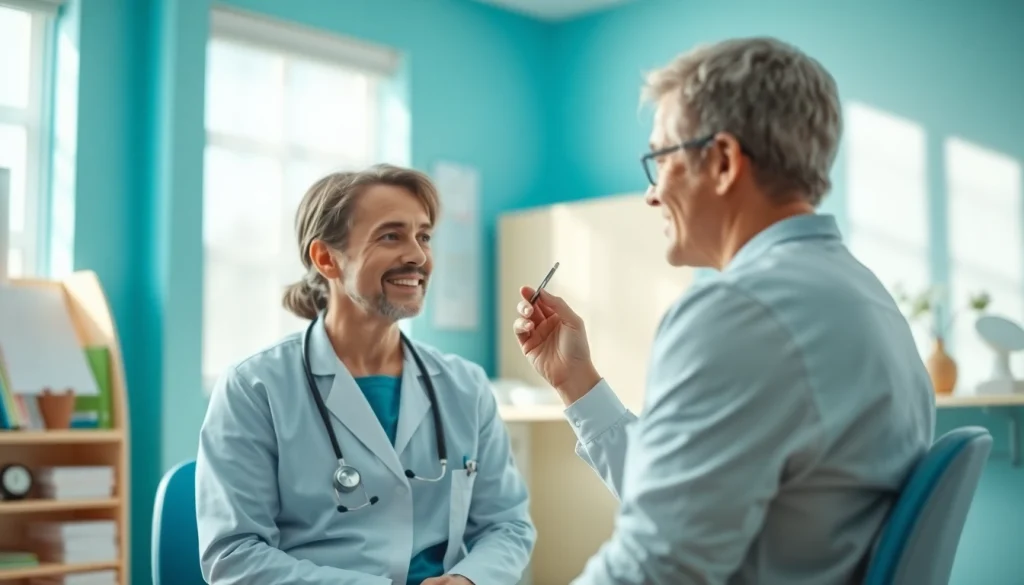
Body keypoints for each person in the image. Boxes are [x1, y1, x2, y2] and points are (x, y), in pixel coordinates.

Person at [512, 37, 935, 585]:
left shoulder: (740, 311)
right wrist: (577, 383)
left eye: (659, 160)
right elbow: (682, 495)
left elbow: (655, 567)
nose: (650, 195)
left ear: (722, 161)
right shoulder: (863, 296)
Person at [196, 164, 535, 585]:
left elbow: (507, 525)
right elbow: (233, 555)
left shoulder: (465, 385)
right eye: (391, 235)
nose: (418, 256)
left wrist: (468, 579)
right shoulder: (254, 389)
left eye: (424, 236)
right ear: (326, 259)